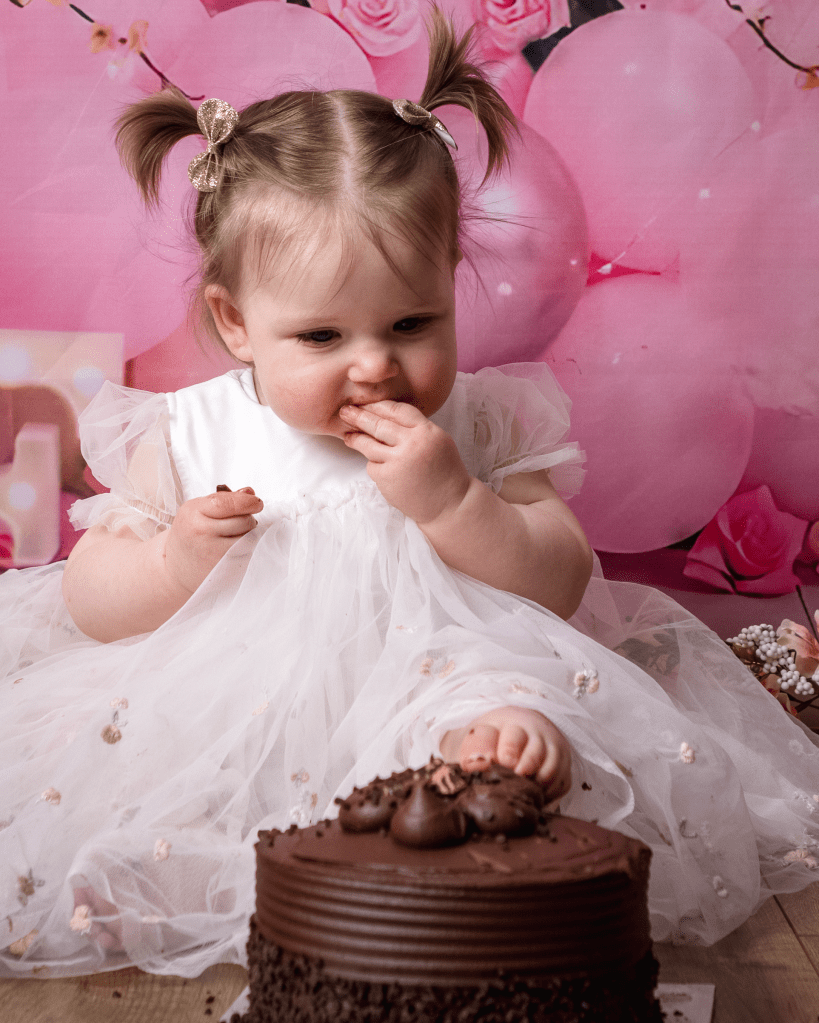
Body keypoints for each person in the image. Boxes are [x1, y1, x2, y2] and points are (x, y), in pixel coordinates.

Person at [1, 6, 817, 981]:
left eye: (412, 322)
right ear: (236, 323)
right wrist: (174, 556)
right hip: (239, 687)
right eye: (322, 338)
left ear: (452, 286)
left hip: (441, 656)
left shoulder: (478, 425)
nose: (375, 366)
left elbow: (556, 582)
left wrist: (454, 503)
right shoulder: (188, 435)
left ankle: (490, 775)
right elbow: (93, 602)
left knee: (511, 691)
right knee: (149, 762)